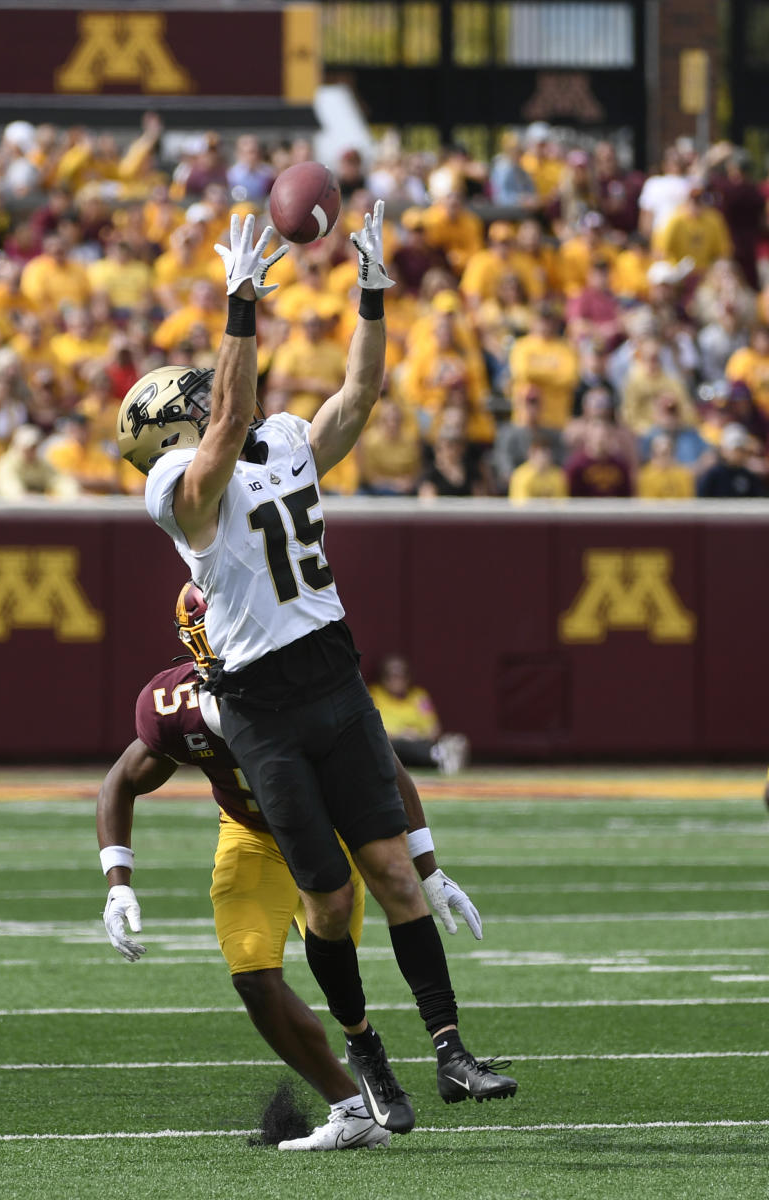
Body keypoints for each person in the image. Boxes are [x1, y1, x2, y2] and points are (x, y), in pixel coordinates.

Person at [114, 205, 517, 1136]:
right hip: (262, 704)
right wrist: (240, 307)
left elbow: (359, 396)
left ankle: (451, 1048)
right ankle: (366, 1047)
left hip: (334, 674)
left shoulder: (287, 440)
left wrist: (372, 294)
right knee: (329, 903)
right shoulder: (174, 489)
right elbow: (219, 434)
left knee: (393, 874)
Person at [98, 582, 484, 1151]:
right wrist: (117, 883)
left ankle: (399, 1053)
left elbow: (387, 770)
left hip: (328, 838)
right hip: (253, 838)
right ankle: (350, 1108)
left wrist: (429, 868)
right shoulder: (176, 706)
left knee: (337, 966)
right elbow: (122, 780)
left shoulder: (310, 679)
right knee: (252, 975)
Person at [368, 654, 468, 773]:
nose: (396, 680)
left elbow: (434, 729)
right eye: (391, 676)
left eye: (401, 676)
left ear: (408, 677)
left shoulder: (419, 696)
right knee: (395, 746)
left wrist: (417, 735)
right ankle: (439, 755)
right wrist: (401, 734)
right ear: (383, 677)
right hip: (391, 743)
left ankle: (440, 754)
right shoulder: (374, 695)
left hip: (418, 741)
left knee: (417, 747)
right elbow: (372, 728)